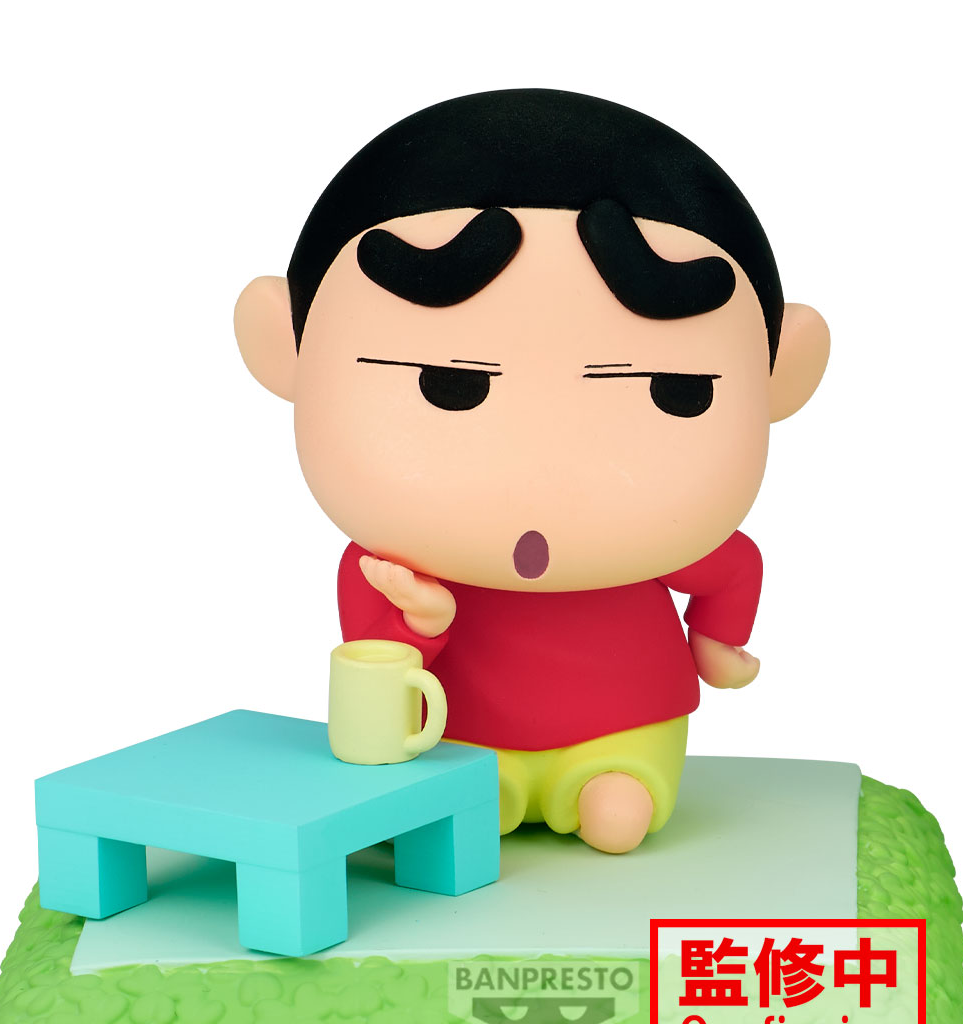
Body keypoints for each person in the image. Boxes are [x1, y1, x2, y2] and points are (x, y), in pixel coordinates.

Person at [234, 89, 829, 853]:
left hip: (628, 723)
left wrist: (718, 641)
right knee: (472, 811)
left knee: (617, 817)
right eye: (448, 384)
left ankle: (613, 778)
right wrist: (422, 619)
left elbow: (732, 566)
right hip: (458, 737)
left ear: (782, 376)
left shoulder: (666, 544)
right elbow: (379, 665)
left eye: (671, 390)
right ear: (285, 350)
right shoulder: (385, 570)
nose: (543, 468)